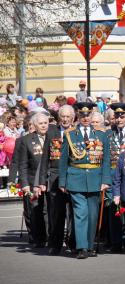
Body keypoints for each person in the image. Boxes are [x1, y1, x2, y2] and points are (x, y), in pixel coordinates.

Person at [58, 102, 111, 259]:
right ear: (78, 116)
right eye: (82, 115)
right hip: (76, 178)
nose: (86, 118)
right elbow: (63, 160)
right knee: (81, 213)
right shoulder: (70, 135)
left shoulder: (101, 135)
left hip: (95, 178)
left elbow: (106, 160)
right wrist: (62, 181)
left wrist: (106, 180)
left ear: (92, 115)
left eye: (88, 115)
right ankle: (81, 247)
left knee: (93, 214)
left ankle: (89, 245)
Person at [38, 105, 76, 255]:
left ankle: (73, 243)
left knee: (73, 213)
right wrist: (42, 181)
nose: (65, 119)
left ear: (72, 118)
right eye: (63, 116)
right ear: (59, 117)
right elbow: (45, 157)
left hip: (74, 177)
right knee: (56, 214)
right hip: (55, 178)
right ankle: (55, 244)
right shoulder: (52, 131)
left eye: (68, 117)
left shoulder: (77, 131)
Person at [20, 112, 50, 248]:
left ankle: (51, 237)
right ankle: (39, 238)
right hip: (34, 181)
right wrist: (25, 184)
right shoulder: (26, 140)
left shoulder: (54, 138)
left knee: (50, 210)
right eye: (41, 123)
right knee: (36, 211)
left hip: (51, 181)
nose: (44, 126)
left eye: (45, 123)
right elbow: (23, 164)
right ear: (35, 125)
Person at [106, 103, 125, 252]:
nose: (119, 119)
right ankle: (115, 242)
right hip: (112, 176)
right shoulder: (108, 134)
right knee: (114, 210)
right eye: (117, 116)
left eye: (122, 116)